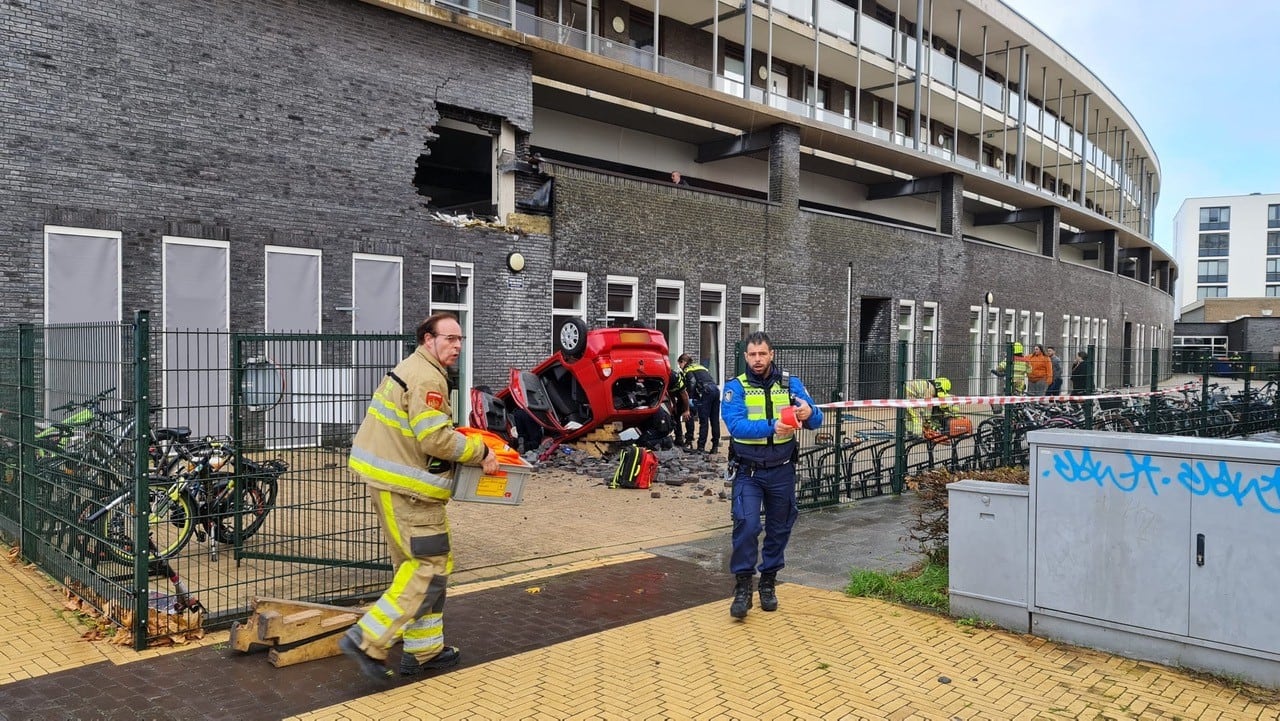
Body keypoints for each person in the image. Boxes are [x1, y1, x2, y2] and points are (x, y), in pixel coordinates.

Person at [341, 312, 500, 681]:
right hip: (410, 494)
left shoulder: (415, 367)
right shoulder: (428, 376)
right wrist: (479, 451)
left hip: (397, 488)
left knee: (416, 568)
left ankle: (424, 650)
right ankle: (367, 639)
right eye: (449, 339)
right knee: (428, 569)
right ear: (428, 339)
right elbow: (434, 439)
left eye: (460, 339)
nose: (457, 345)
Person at [721, 331, 823, 619]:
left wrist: (807, 413)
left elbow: (816, 418)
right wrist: (773, 426)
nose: (757, 359)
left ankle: (768, 582)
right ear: (745, 356)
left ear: (771, 354)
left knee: (780, 528)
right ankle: (743, 587)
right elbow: (737, 427)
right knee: (747, 525)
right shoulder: (735, 388)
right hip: (748, 472)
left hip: (782, 471)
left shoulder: (790, 384)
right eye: (752, 355)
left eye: (762, 354)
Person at [678, 353, 721, 453]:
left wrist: (690, 397)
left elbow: (692, 382)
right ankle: (715, 446)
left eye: (680, 364)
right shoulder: (700, 367)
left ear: (683, 362)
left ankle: (701, 447)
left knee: (704, 421)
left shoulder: (687, 369)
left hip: (706, 392)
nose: (680, 367)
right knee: (715, 420)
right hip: (715, 390)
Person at [666, 367, 694, 450]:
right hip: (677, 394)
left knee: (688, 416)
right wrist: (674, 405)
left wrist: (687, 410)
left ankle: (689, 440)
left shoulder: (674, 377)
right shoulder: (665, 379)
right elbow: (670, 393)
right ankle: (679, 439)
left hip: (686, 394)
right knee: (675, 415)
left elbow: (684, 395)